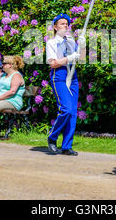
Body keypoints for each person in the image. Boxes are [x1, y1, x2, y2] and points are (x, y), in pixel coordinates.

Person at [45, 13, 84, 156]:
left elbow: (80, 57)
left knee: (73, 113)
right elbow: (53, 63)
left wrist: (82, 46)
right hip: (59, 77)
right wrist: (69, 57)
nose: (65, 26)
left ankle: (67, 146)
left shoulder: (71, 41)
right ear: (55, 27)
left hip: (72, 77)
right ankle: (52, 137)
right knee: (66, 109)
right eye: (62, 24)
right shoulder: (51, 43)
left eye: (67, 24)